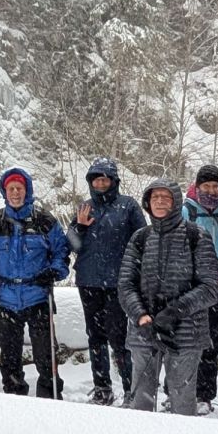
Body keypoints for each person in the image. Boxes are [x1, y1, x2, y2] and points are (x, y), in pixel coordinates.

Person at [118, 179, 218, 416]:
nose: (160, 202)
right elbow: (125, 284)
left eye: (166, 197)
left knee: (182, 401)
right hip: (144, 331)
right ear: (148, 202)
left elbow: (210, 287)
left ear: (176, 202)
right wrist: (141, 316)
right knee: (141, 401)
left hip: (186, 332)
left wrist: (174, 312)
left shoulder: (196, 235)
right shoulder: (140, 237)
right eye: (155, 197)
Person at [0, 167, 71, 398]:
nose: (15, 193)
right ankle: (14, 396)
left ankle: (50, 398)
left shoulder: (44, 221)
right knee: (9, 357)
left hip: (38, 297)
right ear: (5, 192)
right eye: (11, 189)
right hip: (6, 298)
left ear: (27, 190)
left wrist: (54, 271)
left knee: (46, 355)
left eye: (19, 188)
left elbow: (61, 252)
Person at [66, 157, 147, 406]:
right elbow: (71, 244)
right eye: (96, 180)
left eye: (104, 179)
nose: (100, 184)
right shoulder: (85, 207)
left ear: (113, 181)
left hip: (118, 283)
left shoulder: (128, 206)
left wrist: (136, 273)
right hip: (89, 281)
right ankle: (102, 387)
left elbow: (143, 240)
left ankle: (130, 388)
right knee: (95, 337)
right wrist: (80, 227)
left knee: (119, 338)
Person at [181, 164, 218, 415]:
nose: (211, 190)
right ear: (198, 186)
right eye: (206, 185)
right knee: (187, 338)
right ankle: (181, 391)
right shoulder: (187, 210)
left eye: (215, 185)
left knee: (212, 339)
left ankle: (205, 394)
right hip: (194, 281)